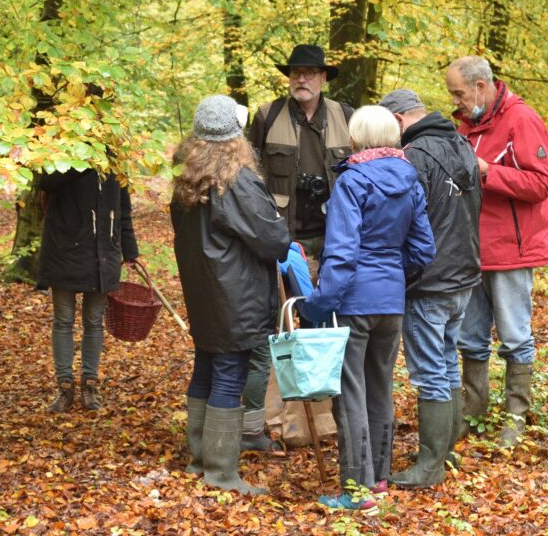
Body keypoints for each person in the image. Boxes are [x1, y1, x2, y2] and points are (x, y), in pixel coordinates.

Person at [300, 105, 435, 512]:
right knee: (379, 388)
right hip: (390, 301)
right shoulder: (410, 179)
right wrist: (392, 275)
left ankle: (355, 492)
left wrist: (318, 304)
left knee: (351, 394)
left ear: (357, 139)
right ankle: (377, 480)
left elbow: (341, 254)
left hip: (355, 301)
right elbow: (423, 248)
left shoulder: (352, 181)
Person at [172, 95, 290, 495]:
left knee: (206, 366)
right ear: (236, 136)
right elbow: (274, 239)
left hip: (206, 291)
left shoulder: (187, 181)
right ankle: (221, 472)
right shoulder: (238, 182)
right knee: (227, 372)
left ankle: (202, 459)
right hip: (234, 294)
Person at [241, 43, 354, 452]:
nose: (301, 79)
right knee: (279, 327)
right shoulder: (268, 116)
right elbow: (248, 174)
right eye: (295, 73)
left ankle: (323, 419)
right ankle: (279, 420)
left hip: (335, 240)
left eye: (310, 72)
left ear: (324, 78)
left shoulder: (346, 117)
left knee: (324, 326)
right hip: (282, 241)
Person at [446, 56, 548, 449]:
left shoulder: (522, 120)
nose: (455, 101)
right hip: (471, 251)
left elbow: (540, 184)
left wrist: (488, 171)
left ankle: (516, 417)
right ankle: (473, 412)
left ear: (480, 86)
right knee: (470, 336)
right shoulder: (464, 124)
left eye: (458, 93)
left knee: (513, 336)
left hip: (512, 249)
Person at [380, 89, 481, 488]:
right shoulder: (461, 144)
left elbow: (406, 223)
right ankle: (446, 452)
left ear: (400, 119)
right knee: (446, 363)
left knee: (429, 373)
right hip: (463, 274)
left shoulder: (415, 156)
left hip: (430, 281)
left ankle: (430, 464)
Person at [38, 162, 139, 413]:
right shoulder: (63, 152)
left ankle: (89, 384)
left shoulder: (115, 160)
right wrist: (78, 159)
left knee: (93, 321)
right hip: (63, 250)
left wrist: (130, 250)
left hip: (103, 253)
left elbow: (123, 208)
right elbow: (45, 182)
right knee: (63, 320)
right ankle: (65, 386)